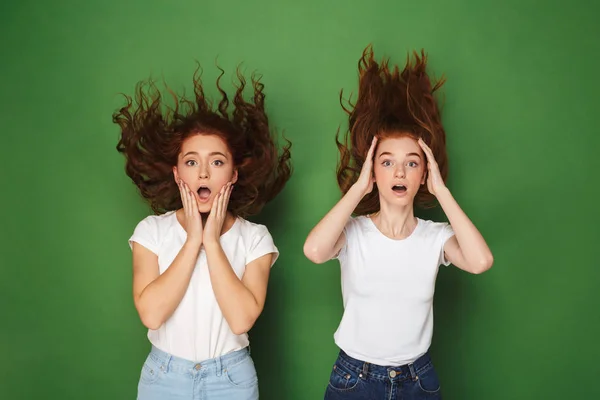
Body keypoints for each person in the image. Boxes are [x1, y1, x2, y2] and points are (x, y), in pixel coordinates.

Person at [303, 46, 494, 400]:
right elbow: (314, 251)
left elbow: (481, 262)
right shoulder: (354, 232)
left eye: (412, 163)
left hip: (417, 379)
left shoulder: (436, 238)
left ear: (424, 174)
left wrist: (442, 192)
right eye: (387, 162)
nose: (400, 171)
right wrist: (359, 188)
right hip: (353, 378)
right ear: (373, 172)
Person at [113, 66, 292, 400]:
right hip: (163, 378)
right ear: (177, 171)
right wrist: (193, 239)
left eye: (217, 162)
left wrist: (211, 241)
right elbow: (151, 314)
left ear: (234, 174)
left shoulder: (255, 239)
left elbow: (241, 320)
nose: (204, 173)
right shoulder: (151, 232)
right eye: (192, 162)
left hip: (231, 379)